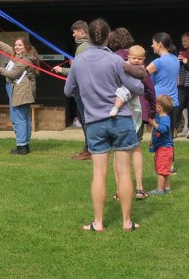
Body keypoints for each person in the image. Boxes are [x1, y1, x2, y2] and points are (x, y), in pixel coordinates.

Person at [63, 19, 144, 232]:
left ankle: (98, 223)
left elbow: (68, 91)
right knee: (124, 172)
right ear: (108, 37)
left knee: (99, 174)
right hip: (121, 121)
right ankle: (127, 222)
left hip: (94, 123)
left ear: (89, 37)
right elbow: (137, 86)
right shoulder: (116, 61)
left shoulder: (78, 61)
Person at [108, 32, 153, 201]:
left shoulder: (112, 59)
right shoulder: (139, 63)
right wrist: (153, 111)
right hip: (137, 111)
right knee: (135, 148)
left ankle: (120, 190)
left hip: (120, 110)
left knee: (118, 150)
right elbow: (149, 88)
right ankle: (139, 188)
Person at [0, 33, 38, 155]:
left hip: (20, 92)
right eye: (15, 45)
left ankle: (21, 147)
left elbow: (12, 74)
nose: (16, 47)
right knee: (23, 119)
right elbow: (7, 48)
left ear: (26, 47)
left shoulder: (24, 60)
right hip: (20, 91)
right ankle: (24, 145)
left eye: (20, 45)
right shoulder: (19, 55)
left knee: (18, 119)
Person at [54, 20, 93, 159]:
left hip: (82, 90)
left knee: (85, 119)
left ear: (82, 32)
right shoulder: (88, 46)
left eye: (75, 31)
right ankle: (89, 148)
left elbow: (79, 70)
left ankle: (89, 149)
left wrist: (62, 70)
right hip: (86, 89)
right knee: (84, 119)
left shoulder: (83, 47)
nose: (73, 34)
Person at [147, 33, 180, 136]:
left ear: (160, 44)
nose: (152, 45)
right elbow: (177, 81)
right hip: (173, 102)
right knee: (169, 137)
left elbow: (141, 75)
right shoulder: (175, 59)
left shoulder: (158, 62)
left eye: (153, 43)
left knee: (159, 137)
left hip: (160, 104)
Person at [148, 95, 175, 195]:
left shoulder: (165, 119)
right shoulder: (160, 117)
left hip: (164, 149)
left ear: (159, 107)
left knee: (161, 169)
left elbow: (163, 129)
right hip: (163, 148)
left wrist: (153, 123)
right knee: (165, 169)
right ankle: (167, 188)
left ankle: (160, 190)